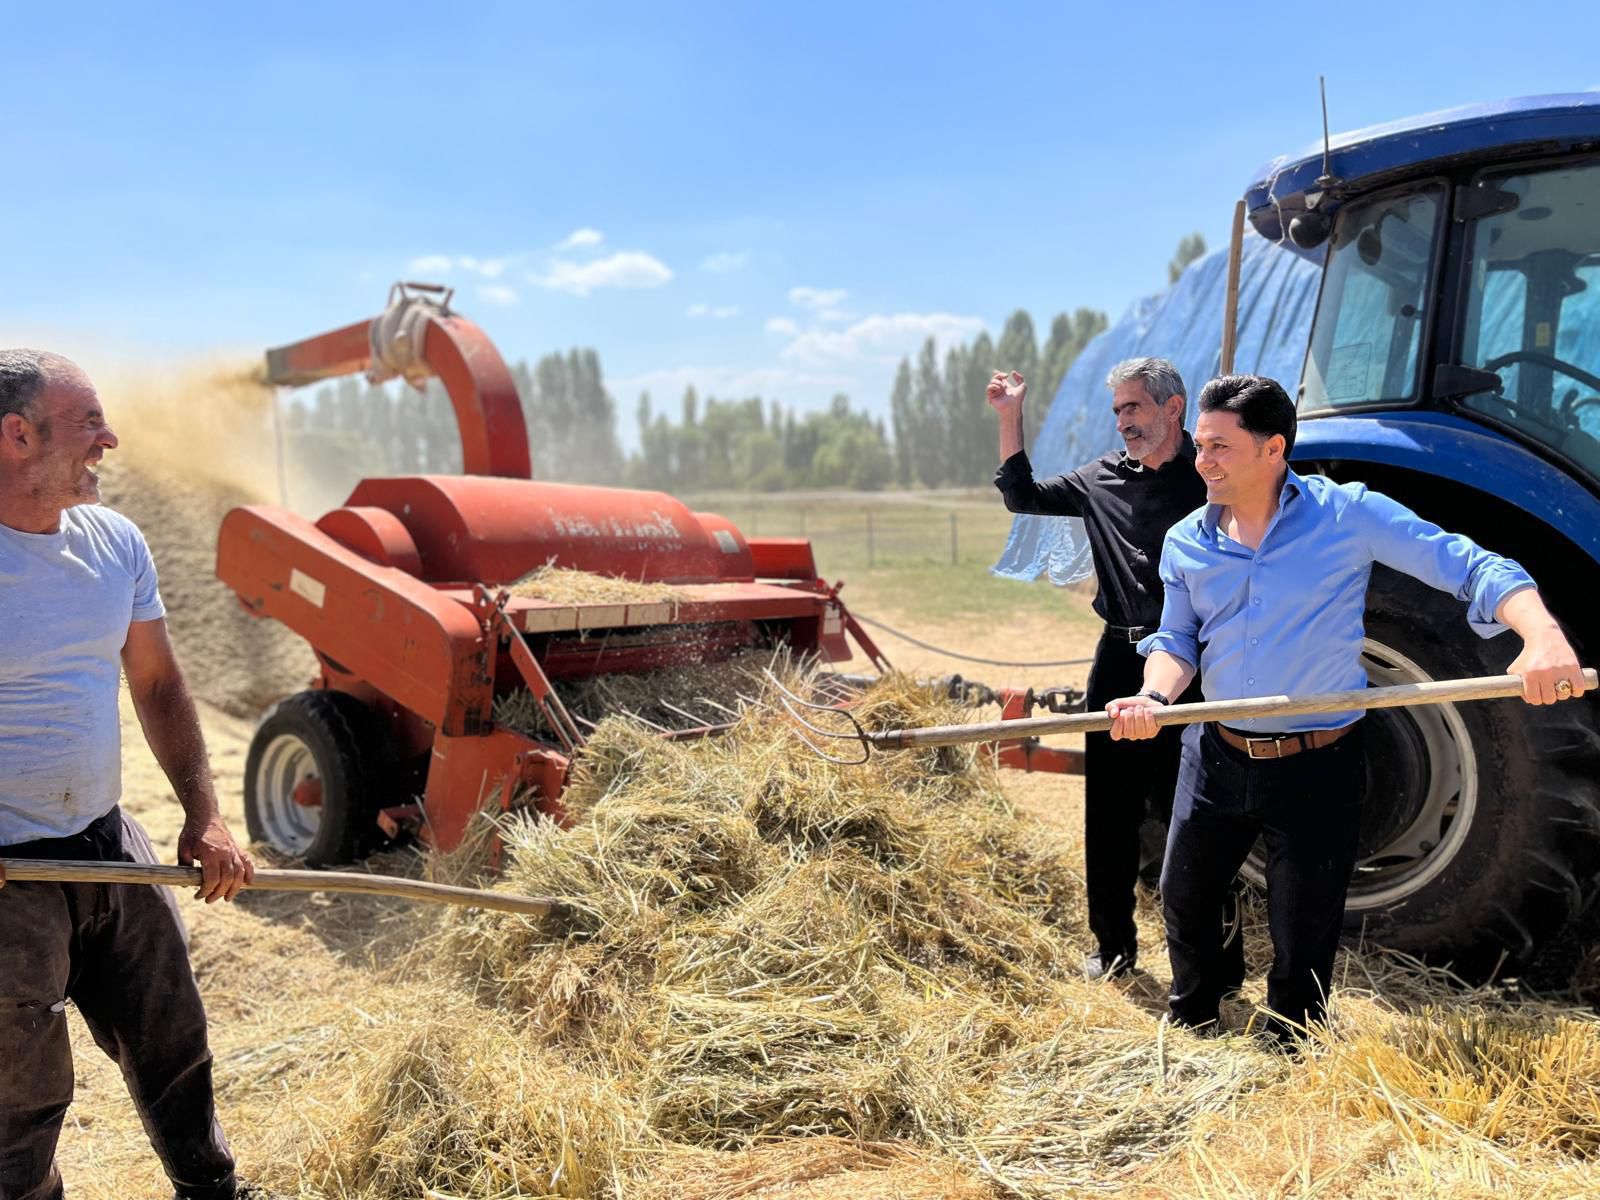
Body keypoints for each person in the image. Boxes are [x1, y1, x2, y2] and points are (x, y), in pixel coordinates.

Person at [1108, 373, 1586, 1044]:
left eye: (1219, 446)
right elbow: (1178, 639)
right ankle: (1199, 1014)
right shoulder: (1189, 540)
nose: (1201, 461)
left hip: (1318, 763)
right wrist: (1155, 695)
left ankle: (1290, 1042)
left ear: (1273, 449)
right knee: (1184, 898)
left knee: (1304, 930)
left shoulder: (1348, 516)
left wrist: (1543, 635)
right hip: (1216, 754)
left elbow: (1474, 567)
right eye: (1201, 445)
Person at [0, 350, 269, 1200]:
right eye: (88, 424)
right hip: (10, 873)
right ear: (16, 435)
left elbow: (157, 683)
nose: (109, 440)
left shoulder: (114, 543)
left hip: (111, 844)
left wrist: (206, 815)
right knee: (20, 1089)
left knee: (172, 1036)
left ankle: (211, 1188)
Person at [990, 358, 1242, 986]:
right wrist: (1010, 416)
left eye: (1134, 408)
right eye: (1118, 412)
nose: (1124, 422)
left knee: (1197, 812)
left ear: (1173, 408)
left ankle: (1218, 963)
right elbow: (1022, 496)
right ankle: (1114, 949)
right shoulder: (1098, 478)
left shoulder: (1212, 475)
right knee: (1109, 812)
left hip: (1196, 664)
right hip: (1117, 659)